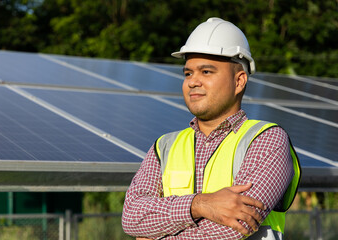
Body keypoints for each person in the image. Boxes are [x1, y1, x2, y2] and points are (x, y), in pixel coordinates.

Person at [122, 17, 301, 240]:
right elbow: (132, 217)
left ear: (239, 81)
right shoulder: (164, 146)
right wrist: (199, 204)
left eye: (206, 72)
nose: (193, 82)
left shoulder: (267, 140)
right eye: (188, 73)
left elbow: (237, 225)